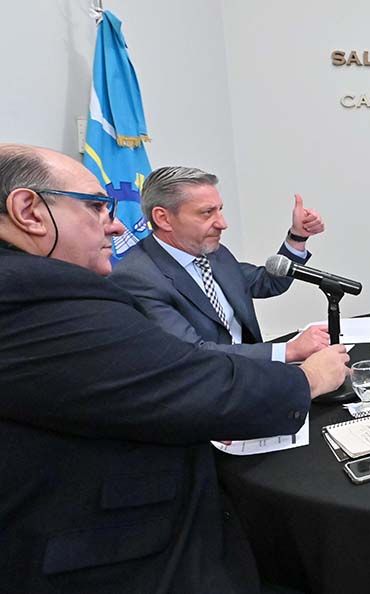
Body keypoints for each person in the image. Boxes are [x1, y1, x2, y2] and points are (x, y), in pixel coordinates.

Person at [0, 144, 350, 592]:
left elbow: (261, 282)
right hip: (118, 549)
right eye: (96, 207)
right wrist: (305, 374)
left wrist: (295, 240)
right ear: (29, 212)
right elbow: (187, 366)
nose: (116, 225)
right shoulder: (72, 294)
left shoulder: (213, 255)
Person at [112, 167, 329, 363]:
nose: (222, 223)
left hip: (251, 374)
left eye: (220, 210)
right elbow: (192, 353)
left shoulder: (213, 252)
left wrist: (297, 237)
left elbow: (268, 283)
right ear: (163, 218)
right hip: (205, 386)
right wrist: (288, 351)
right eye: (207, 213)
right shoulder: (137, 278)